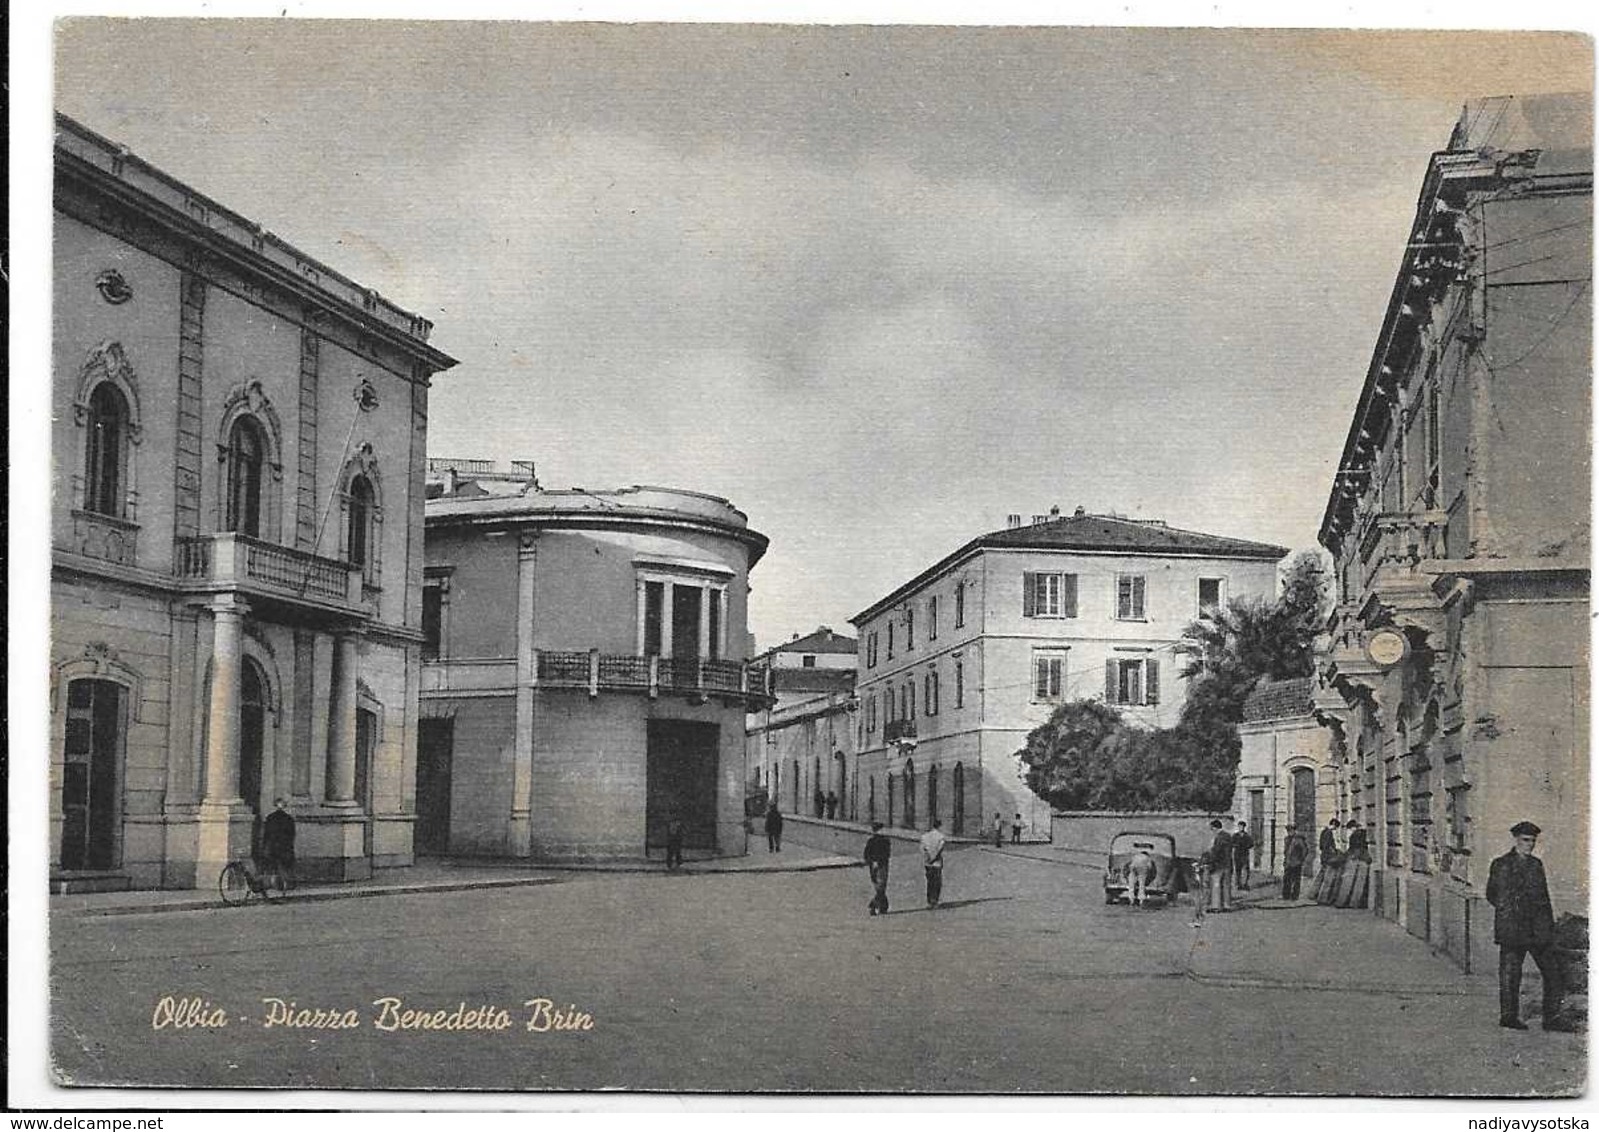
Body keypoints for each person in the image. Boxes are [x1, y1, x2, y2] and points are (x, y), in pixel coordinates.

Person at [1487, 821, 1569, 1031]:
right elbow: (1492, 895)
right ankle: (1508, 1017)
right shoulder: (1501, 864)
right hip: (1513, 930)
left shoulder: (1536, 865)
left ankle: (1551, 1018)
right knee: (1510, 975)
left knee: (1553, 971)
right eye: (1525, 840)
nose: (1529, 844)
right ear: (1516, 840)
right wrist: (1511, 915)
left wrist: (1547, 927)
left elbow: (1544, 898)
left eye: (1532, 841)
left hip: (1537, 930)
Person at [863, 822, 892, 916]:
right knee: (881, 886)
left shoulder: (870, 841)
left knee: (877, 885)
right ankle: (874, 904)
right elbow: (887, 854)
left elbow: (866, 854)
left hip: (873, 866)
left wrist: (871, 862)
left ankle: (883, 906)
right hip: (882, 865)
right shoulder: (885, 841)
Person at [1206, 819, 1235, 911]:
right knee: (1226, 885)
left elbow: (1216, 851)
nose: (1212, 831)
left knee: (1216, 885)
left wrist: (1210, 859)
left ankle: (1216, 906)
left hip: (1219, 864)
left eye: (1212, 829)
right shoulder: (1228, 836)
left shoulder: (1218, 838)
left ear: (1215, 828)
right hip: (1228, 863)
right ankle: (1227, 905)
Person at [1315, 818, 1344, 904]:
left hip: (1324, 857)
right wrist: (1334, 851)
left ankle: (1319, 896)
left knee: (1323, 878)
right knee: (1328, 879)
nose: (1336, 829)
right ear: (1334, 824)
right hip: (1328, 858)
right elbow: (1327, 846)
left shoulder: (1324, 831)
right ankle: (1323, 899)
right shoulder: (1329, 833)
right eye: (1336, 827)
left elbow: (1321, 846)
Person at [921, 819, 948, 908]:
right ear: (940, 826)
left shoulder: (924, 836)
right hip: (937, 863)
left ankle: (929, 902)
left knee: (930, 882)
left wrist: (928, 858)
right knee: (937, 882)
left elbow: (923, 849)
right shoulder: (941, 837)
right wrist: (934, 858)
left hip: (928, 863)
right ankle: (935, 901)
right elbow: (940, 849)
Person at [1282, 825, 1308, 900]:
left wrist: (1301, 859)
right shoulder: (1286, 839)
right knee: (1286, 879)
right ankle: (1286, 895)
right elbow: (1286, 851)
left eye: (1291, 830)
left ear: (1294, 831)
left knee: (1296, 880)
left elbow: (1305, 850)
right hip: (1288, 862)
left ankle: (1295, 896)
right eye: (1288, 831)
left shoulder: (1299, 840)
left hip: (1296, 863)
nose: (1290, 832)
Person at [1233, 820, 1254, 891]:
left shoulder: (1247, 836)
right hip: (1237, 855)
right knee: (1237, 870)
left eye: (1242, 826)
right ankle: (1238, 884)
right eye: (1239, 826)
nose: (1241, 828)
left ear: (1244, 827)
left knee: (1245, 870)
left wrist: (1246, 846)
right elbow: (1231, 843)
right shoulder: (1235, 836)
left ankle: (1245, 884)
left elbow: (1251, 844)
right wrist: (1236, 845)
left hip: (1244, 855)